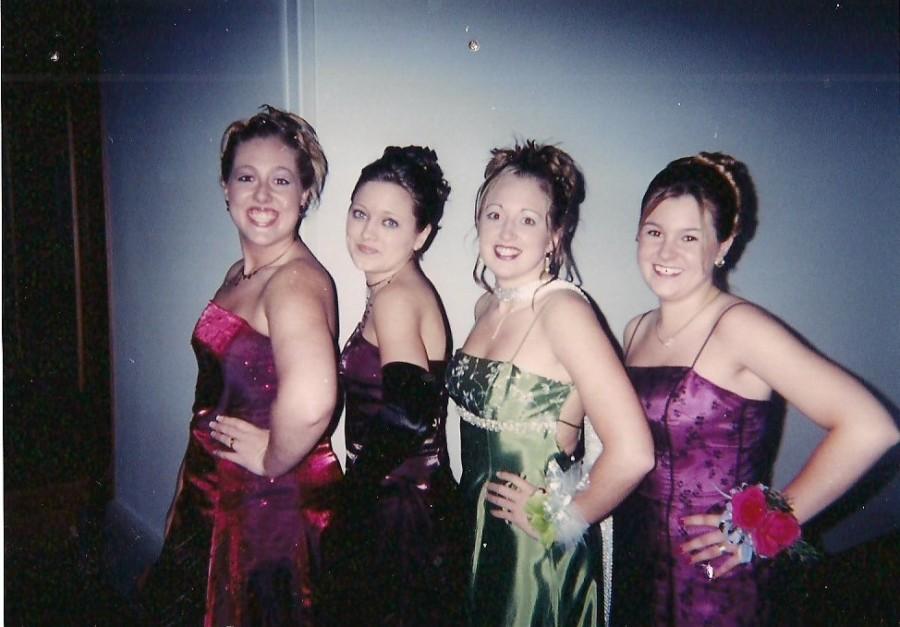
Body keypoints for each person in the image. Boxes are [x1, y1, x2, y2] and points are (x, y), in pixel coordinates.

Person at [611, 152, 899, 626]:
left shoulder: (739, 327)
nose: (666, 252)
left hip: (717, 581)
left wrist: (763, 522)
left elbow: (871, 428)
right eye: (655, 232)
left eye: (690, 237)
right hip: (638, 563)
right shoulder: (635, 330)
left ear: (721, 246)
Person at [141, 105, 343, 626]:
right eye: (246, 177)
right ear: (226, 188)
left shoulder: (293, 282)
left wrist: (275, 457)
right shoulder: (242, 272)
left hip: (262, 514)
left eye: (281, 180)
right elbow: (213, 394)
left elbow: (315, 397)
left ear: (305, 194)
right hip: (214, 493)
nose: (261, 195)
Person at [445, 141, 655, 626]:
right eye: (494, 214)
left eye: (528, 219)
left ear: (555, 236)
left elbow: (634, 451)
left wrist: (563, 517)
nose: (506, 231)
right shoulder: (487, 307)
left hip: (534, 555)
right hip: (477, 533)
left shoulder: (564, 311)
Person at [319, 145, 465, 626]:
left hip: (400, 506)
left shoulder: (397, 297)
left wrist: (350, 495)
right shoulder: (391, 287)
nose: (366, 231)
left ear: (421, 234)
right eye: (360, 213)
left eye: (389, 222)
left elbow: (408, 412)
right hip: (402, 497)